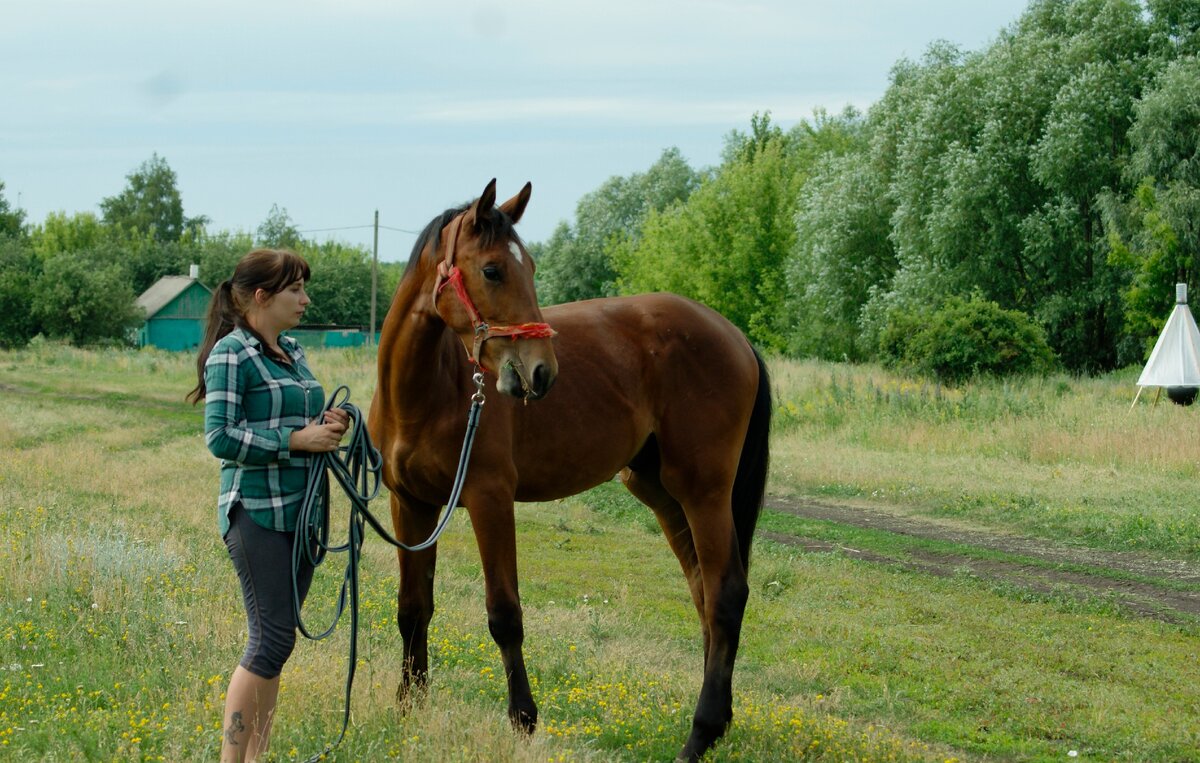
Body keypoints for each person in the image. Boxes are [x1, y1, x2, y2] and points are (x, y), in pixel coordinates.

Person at [187, 249, 348, 763]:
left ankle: (256, 757)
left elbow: (298, 412)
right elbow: (220, 437)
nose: (305, 299)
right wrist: (295, 441)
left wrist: (332, 420)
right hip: (255, 511)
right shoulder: (232, 354)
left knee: (278, 644)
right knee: (269, 640)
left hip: (301, 514)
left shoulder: (292, 350)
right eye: (295, 290)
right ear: (261, 297)